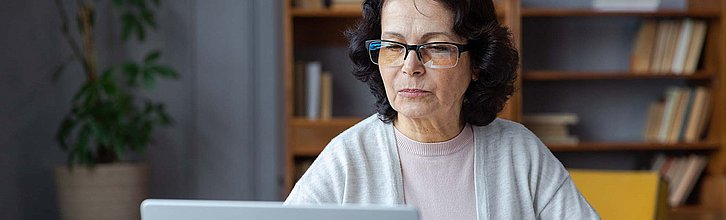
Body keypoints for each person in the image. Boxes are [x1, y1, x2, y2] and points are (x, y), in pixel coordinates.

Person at [285, 0, 600, 219]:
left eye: (436, 47)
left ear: (477, 61)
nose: (410, 67)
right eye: (393, 46)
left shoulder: (521, 153)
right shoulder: (345, 159)